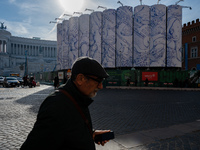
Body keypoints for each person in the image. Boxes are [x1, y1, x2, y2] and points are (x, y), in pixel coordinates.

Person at [20, 57, 111, 150]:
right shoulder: (56, 106)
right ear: (80, 79)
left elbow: (68, 131)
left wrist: (90, 134)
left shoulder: (78, 97)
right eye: (98, 81)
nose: (101, 86)